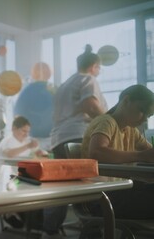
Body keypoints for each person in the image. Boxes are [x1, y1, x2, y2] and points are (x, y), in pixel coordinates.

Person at [46, 44, 108, 239]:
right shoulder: (88, 79)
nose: (99, 72)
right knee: (89, 187)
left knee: (61, 188)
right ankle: (92, 231)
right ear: (94, 66)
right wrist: (110, 122)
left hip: (58, 138)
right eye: (99, 68)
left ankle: (50, 230)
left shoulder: (64, 85)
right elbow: (90, 104)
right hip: (78, 136)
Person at [82, 84, 154, 219]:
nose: (145, 118)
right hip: (101, 197)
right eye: (142, 110)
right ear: (126, 101)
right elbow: (97, 152)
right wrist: (141, 156)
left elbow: (150, 153)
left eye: (149, 115)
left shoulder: (131, 130)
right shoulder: (106, 122)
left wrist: (147, 155)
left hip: (118, 192)